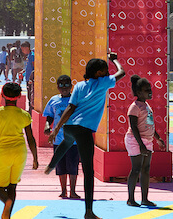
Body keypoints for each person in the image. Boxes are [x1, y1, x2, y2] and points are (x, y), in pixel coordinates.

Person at [45, 52, 126, 219]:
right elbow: (122, 73)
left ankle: (53, 164)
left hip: (70, 127)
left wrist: (56, 128)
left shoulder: (80, 86)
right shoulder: (103, 83)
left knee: (67, 142)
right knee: (88, 172)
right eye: (105, 70)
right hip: (84, 130)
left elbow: (70, 108)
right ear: (98, 73)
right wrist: (114, 60)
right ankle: (88, 212)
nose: (107, 72)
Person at [0, 82, 38, 219]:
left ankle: (7, 202)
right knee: (12, 186)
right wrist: (35, 158)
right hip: (20, 152)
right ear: (19, 96)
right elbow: (31, 138)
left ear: (2, 95)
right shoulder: (24, 115)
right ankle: (7, 216)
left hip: (3, 152)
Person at [124, 75, 165, 208]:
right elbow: (134, 127)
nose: (150, 92)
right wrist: (141, 145)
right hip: (135, 140)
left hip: (147, 140)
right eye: (147, 90)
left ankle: (144, 199)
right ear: (139, 92)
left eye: (150, 89)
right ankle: (130, 199)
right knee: (136, 169)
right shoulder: (134, 107)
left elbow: (150, 124)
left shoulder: (146, 106)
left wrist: (158, 138)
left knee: (146, 169)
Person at [43, 75, 80, 199]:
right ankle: (63, 190)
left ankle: (73, 191)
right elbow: (49, 116)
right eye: (61, 85)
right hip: (58, 140)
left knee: (73, 166)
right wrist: (47, 126)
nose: (64, 88)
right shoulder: (53, 100)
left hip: (73, 141)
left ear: (71, 86)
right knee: (61, 166)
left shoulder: (76, 100)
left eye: (66, 85)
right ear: (57, 87)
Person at [22, 42, 34, 111]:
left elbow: (34, 66)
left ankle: (31, 109)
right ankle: (30, 109)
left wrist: (32, 77)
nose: (22, 51)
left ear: (27, 48)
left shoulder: (32, 55)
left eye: (23, 49)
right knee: (28, 94)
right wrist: (24, 72)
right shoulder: (28, 56)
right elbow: (28, 67)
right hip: (27, 78)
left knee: (30, 95)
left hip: (30, 79)